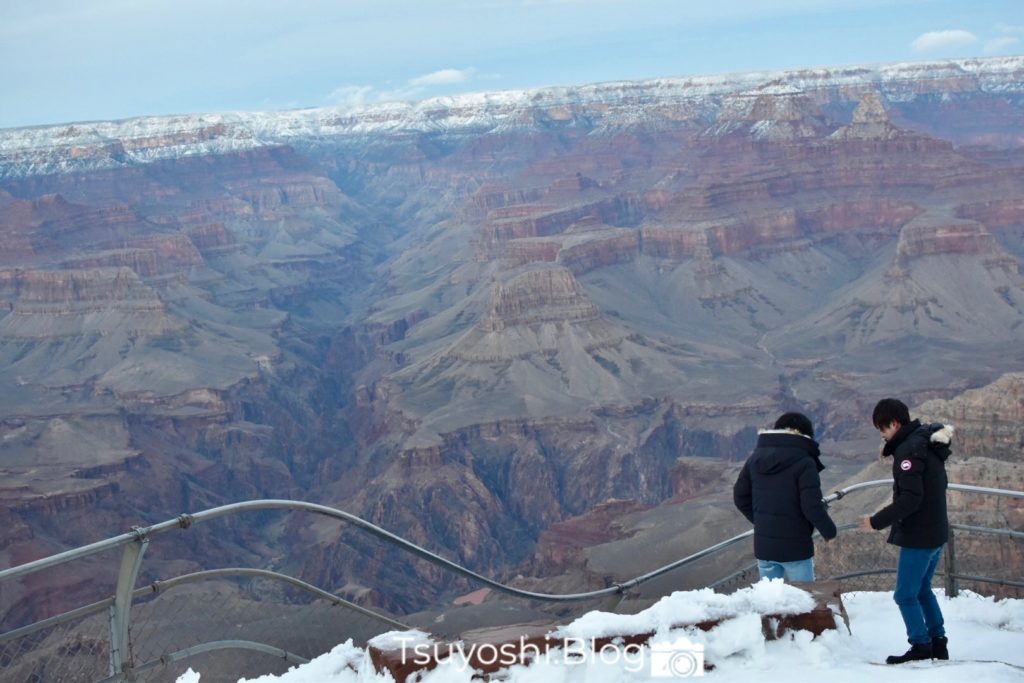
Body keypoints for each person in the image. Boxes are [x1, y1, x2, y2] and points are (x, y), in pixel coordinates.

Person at [859, 398, 954, 664]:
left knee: (904, 594)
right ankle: (938, 642)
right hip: (936, 530)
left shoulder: (908, 451)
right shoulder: (925, 441)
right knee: (922, 589)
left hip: (920, 535)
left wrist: (875, 521)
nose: (882, 435)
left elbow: (910, 499)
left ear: (895, 424)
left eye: (883, 429)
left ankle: (921, 645)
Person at [734, 412, 837, 582]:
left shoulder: (755, 458)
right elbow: (811, 506)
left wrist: (763, 522)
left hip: (765, 547)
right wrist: (829, 532)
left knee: (771, 602)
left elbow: (740, 497)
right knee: (805, 600)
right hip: (795, 546)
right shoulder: (805, 462)